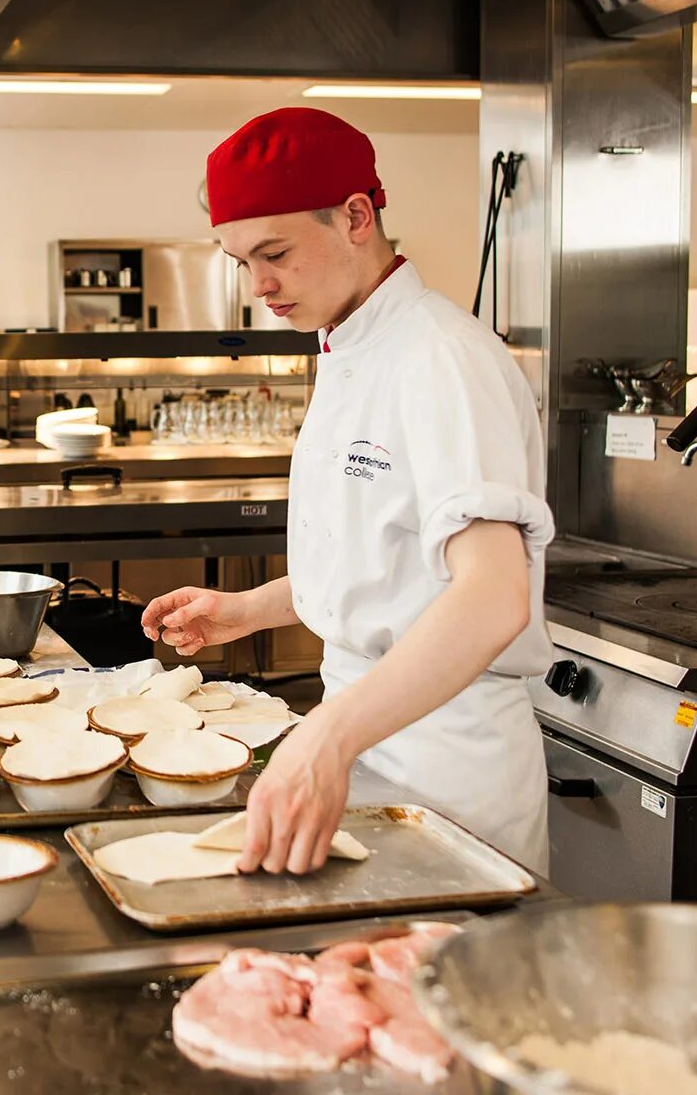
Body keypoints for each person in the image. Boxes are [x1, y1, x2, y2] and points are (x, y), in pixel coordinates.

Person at [143, 107, 554, 875]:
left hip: (447, 768)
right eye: (240, 262)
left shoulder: (441, 358)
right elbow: (384, 559)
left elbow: (495, 596)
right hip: (369, 746)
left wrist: (326, 737)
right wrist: (247, 610)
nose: (260, 286)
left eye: (275, 253)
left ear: (357, 216)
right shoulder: (345, 347)